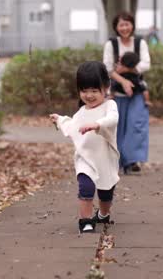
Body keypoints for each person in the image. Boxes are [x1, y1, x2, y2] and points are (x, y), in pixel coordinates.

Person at [49, 61, 120, 234]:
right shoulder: (81, 113)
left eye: (94, 91)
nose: (89, 95)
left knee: (106, 193)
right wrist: (59, 119)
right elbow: (72, 126)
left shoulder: (109, 106)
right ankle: (86, 221)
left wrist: (97, 125)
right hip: (85, 159)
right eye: (84, 91)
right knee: (86, 187)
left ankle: (103, 214)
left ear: (106, 87)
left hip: (105, 158)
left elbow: (113, 119)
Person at [103, 12, 151, 174]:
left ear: (132, 25)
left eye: (127, 24)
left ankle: (132, 160)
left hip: (137, 90)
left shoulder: (140, 42)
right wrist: (123, 81)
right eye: (121, 25)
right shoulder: (111, 44)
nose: (124, 28)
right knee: (118, 126)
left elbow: (146, 64)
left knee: (136, 124)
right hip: (116, 92)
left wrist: (127, 69)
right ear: (116, 27)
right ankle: (118, 161)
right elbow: (108, 68)